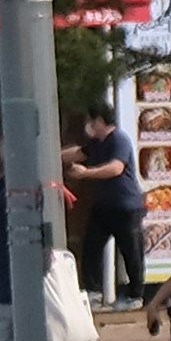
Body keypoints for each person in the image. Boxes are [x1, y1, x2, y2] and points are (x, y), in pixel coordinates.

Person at [63, 126, 146, 308]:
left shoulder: (119, 139)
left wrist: (86, 173)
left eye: (91, 121)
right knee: (91, 247)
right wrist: (53, 153)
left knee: (131, 251)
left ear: (99, 121)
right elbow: (80, 153)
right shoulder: (96, 142)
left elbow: (116, 168)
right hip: (103, 206)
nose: (87, 126)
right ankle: (94, 293)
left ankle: (135, 296)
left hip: (126, 206)